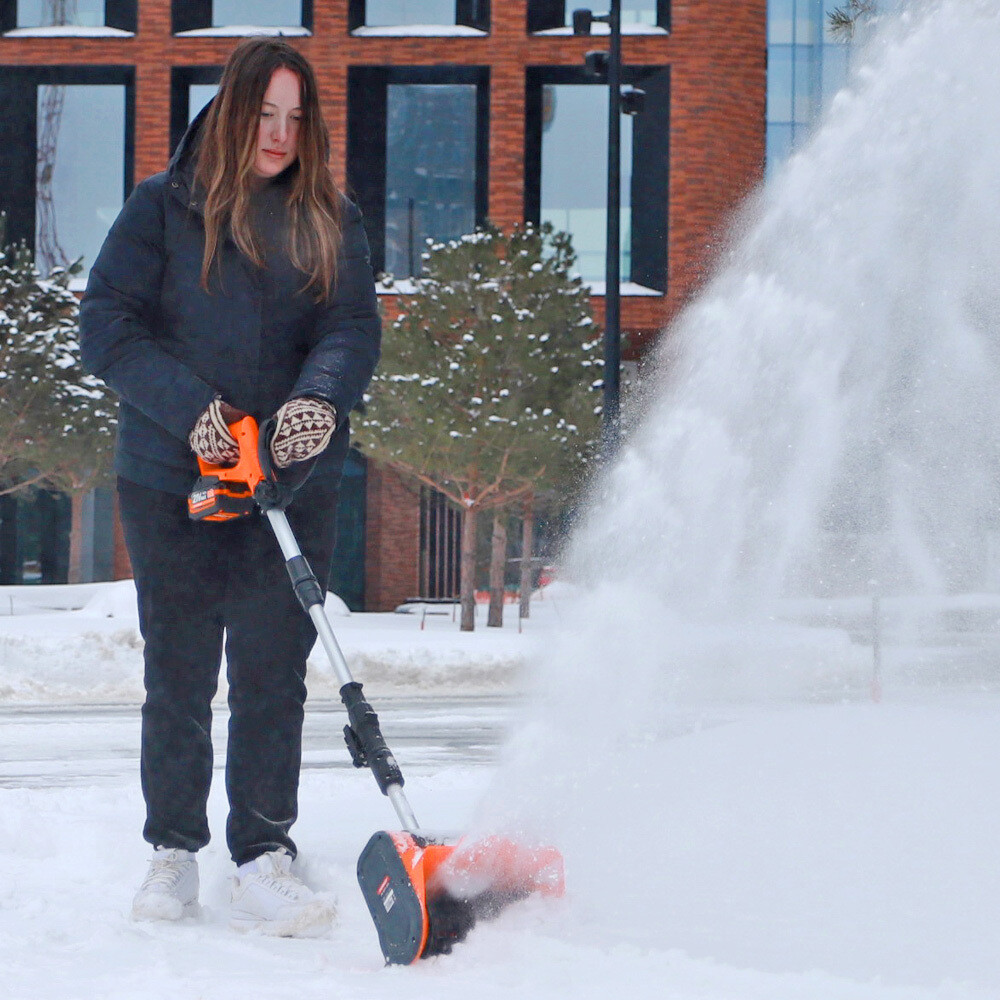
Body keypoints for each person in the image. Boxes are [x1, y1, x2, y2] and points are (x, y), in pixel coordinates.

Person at [79, 38, 381, 937]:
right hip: (172, 478)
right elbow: (107, 326)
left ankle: (262, 854)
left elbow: (351, 326)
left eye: (296, 119)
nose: (280, 135)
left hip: (288, 482)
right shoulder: (161, 207)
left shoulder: (330, 215)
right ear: (232, 112)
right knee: (177, 671)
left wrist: (319, 401)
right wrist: (195, 414)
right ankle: (173, 851)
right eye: (264, 116)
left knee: (271, 673)